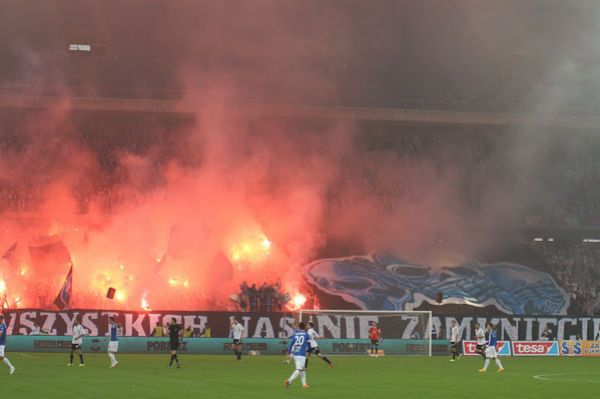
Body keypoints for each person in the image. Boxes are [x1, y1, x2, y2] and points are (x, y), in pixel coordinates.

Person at [284, 322, 310, 389]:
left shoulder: (295, 334)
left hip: (295, 354)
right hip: (302, 354)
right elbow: (308, 343)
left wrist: (289, 353)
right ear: (304, 327)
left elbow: (291, 344)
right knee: (299, 369)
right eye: (306, 326)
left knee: (302, 369)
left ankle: (304, 384)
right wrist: (308, 351)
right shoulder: (306, 335)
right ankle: (289, 381)